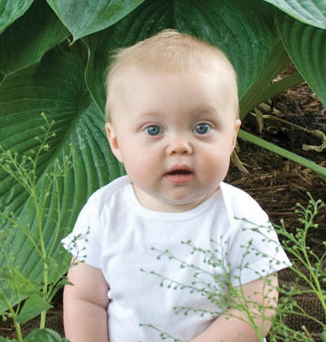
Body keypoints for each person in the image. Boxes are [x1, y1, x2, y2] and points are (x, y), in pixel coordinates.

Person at [62, 29, 290, 342]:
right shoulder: (105, 210)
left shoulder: (240, 217)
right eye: (153, 129)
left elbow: (255, 308)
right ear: (116, 141)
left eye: (202, 127)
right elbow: (85, 298)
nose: (180, 145)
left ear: (232, 137)